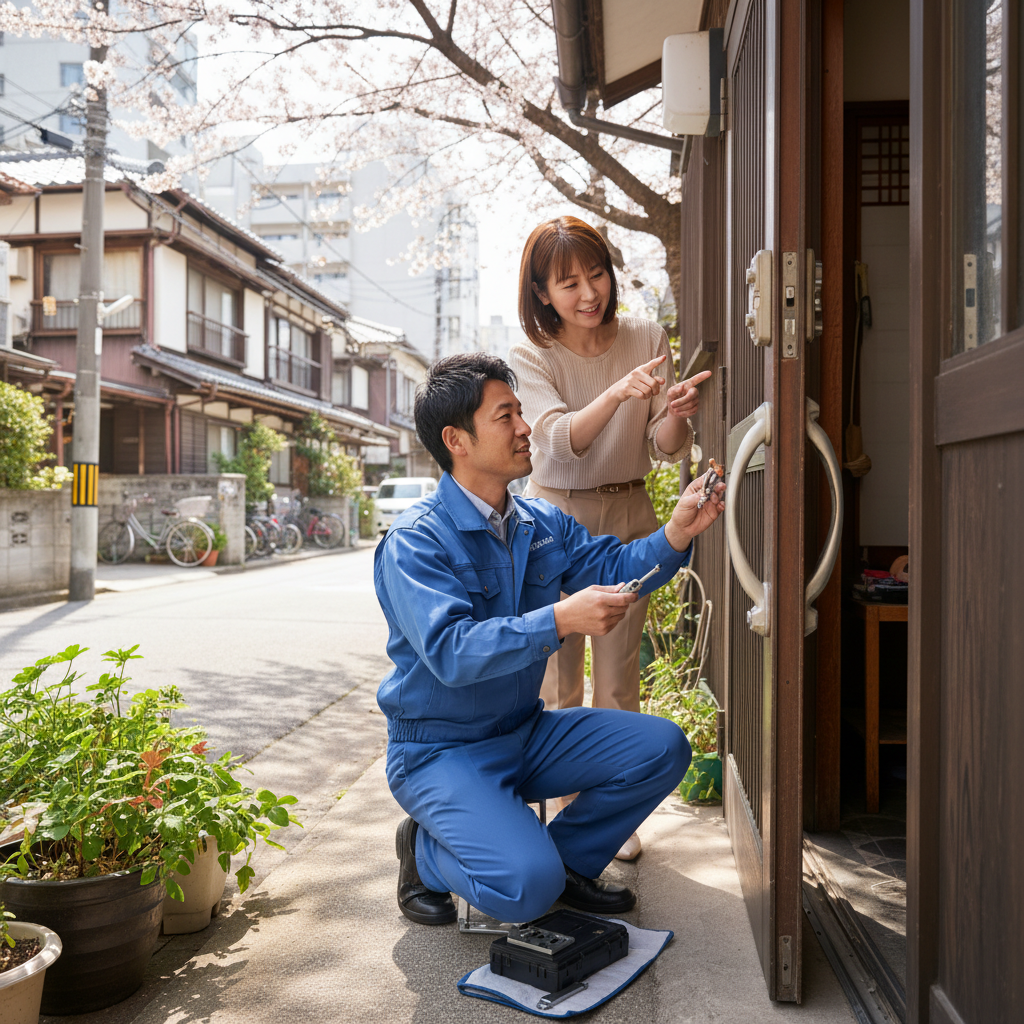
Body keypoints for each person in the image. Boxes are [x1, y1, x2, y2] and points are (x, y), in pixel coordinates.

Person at [374, 352, 725, 927]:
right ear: (455, 440)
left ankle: (568, 862)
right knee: (524, 892)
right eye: (505, 416)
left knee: (663, 747)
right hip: (440, 750)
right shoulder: (416, 541)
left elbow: (614, 567)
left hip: (523, 732)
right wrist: (559, 620)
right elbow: (451, 653)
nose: (525, 427)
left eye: (520, 412)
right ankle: (425, 854)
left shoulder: (540, 522)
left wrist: (676, 531)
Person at [509, 216, 713, 861]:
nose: (589, 292)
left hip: (628, 509)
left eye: (596, 274)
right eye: (568, 282)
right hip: (552, 518)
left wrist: (675, 414)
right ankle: (558, 809)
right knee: (557, 677)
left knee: (621, 676)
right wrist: (621, 392)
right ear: (542, 292)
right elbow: (557, 441)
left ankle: (608, 814)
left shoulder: (646, 336)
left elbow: (663, 446)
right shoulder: (530, 355)